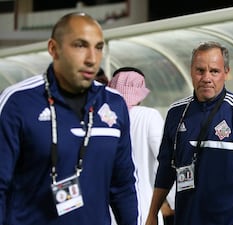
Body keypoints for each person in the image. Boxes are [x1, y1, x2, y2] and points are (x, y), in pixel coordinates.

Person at [0, 12, 138, 225]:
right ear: (54, 49)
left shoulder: (114, 104)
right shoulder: (18, 102)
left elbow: (123, 185)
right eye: (80, 45)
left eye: (99, 47)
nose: (92, 59)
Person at [145, 41, 233, 225]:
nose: (206, 77)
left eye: (214, 71)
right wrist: (152, 214)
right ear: (191, 72)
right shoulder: (176, 113)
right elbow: (166, 168)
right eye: (200, 70)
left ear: (226, 73)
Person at [108, 67, 175, 225]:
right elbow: (165, 161)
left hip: (107, 210)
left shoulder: (103, 117)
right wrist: (175, 200)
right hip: (143, 208)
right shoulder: (148, 116)